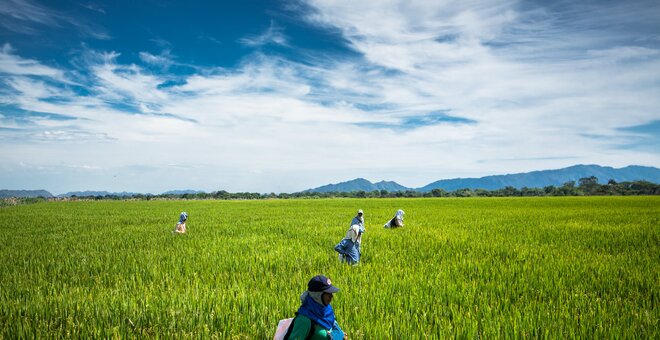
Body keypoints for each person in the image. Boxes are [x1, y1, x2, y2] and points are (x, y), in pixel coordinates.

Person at [282, 275, 346, 340]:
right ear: (317, 295)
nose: (331, 296)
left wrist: (340, 335)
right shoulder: (304, 320)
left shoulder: (327, 311)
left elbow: (331, 328)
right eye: (328, 293)